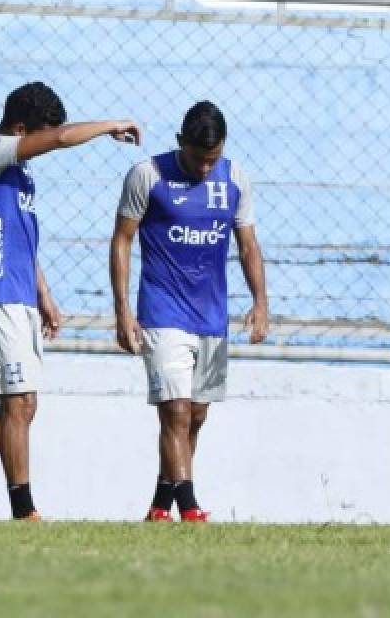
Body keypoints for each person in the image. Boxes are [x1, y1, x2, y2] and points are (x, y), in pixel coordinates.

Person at [0, 82, 139, 521]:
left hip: (19, 295)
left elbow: (19, 236)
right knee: (18, 404)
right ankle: (24, 512)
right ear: (21, 128)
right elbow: (58, 138)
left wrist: (44, 293)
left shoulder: (17, 173)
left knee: (21, 406)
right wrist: (111, 125)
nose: (41, 147)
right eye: (35, 137)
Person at [110, 100, 267, 522]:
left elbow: (248, 244)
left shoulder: (234, 178)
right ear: (180, 143)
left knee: (195, 416)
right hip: (162, 311)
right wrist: (123, 310)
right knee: (175, 411)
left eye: (211, 159)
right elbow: (122, 239)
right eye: (197, 158)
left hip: (211, 315)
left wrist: (260, 303)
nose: (203, 167)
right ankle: (190, 507)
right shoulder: (148, 175)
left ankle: (161, 505)